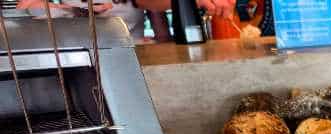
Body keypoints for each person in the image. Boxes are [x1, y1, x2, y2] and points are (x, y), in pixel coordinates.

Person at [17, 0, 234, 41]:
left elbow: (149, 3)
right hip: (81, 55)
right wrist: (76, 11)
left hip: (134, 54)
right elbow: (25, 7)